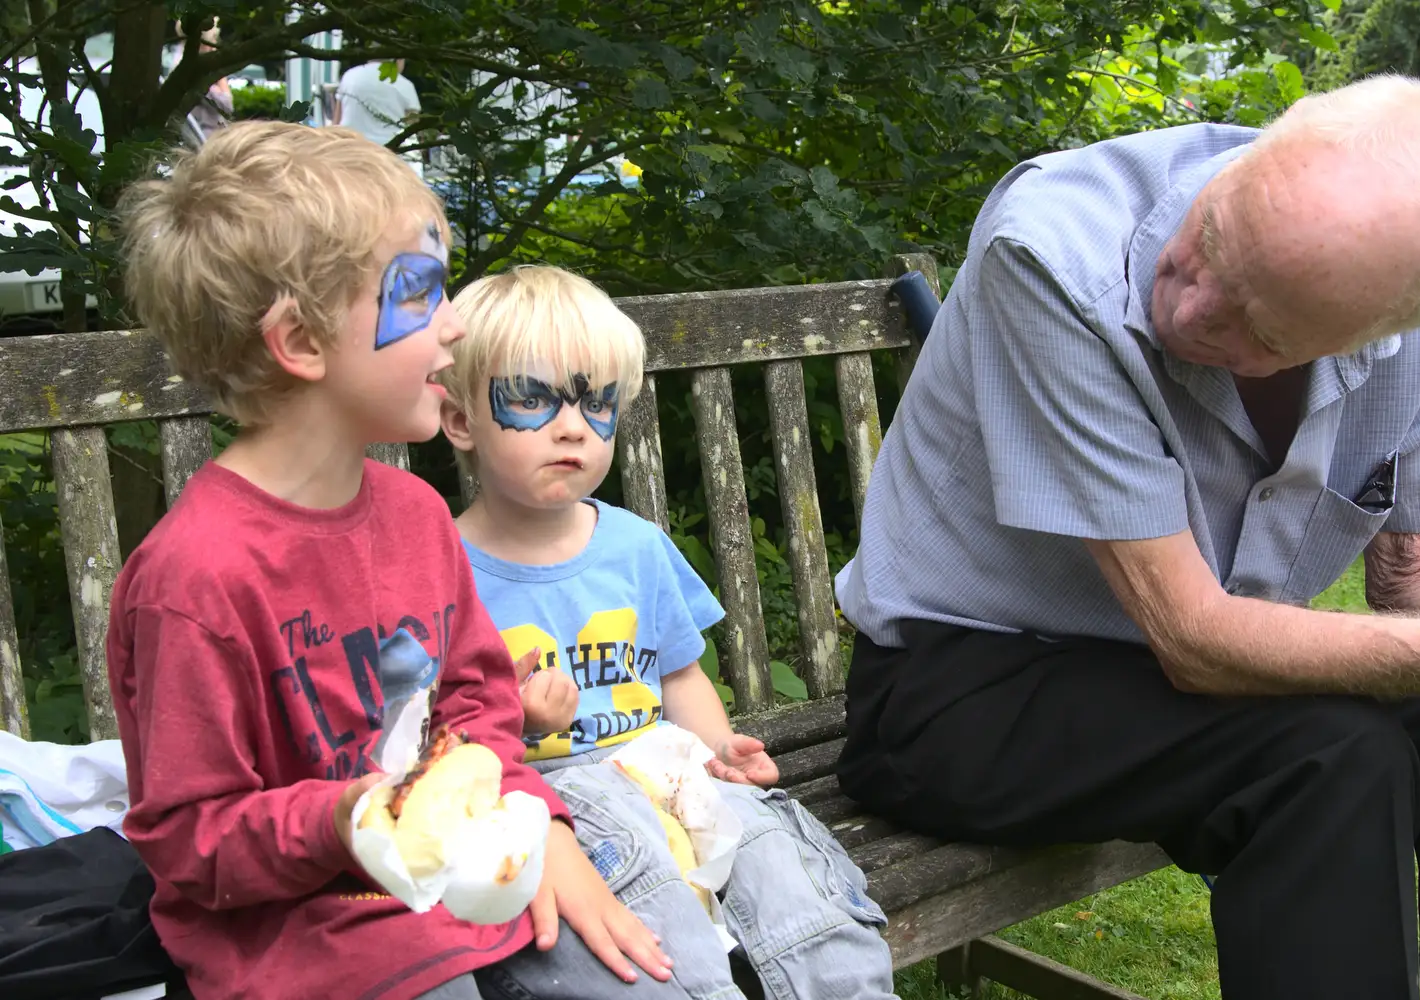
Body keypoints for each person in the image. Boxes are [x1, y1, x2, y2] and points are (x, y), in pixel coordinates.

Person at [834, 73, 1420, 1000]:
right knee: (1331, 757)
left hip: (1183, 684)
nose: (1188, 311)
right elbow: (1196, 639)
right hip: (958, 690)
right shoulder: (1052, 254)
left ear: (1376, 329)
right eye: (1208, 245)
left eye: (1261, 328)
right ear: (1255, 155)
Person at [110, 121, 671, 1000]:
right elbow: (190, 840)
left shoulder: (413, 513)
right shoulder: (196, 578)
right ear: (299, 342)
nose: (452, 324)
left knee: (648, 976)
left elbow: (480, 700)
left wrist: (543, 822)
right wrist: (346, 819)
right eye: (417, 296)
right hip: (317, 942)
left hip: (472, 879)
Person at [437, 265, 898, 999]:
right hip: (550, 798)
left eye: (597, 403)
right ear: (460, 420)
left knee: (787, 880)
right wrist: (514, 720)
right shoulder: (443, 571)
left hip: (664, 771)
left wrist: (720, 751)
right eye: (531, 398)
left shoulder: (635, 545)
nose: (571, 426)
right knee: (651, 943)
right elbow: (440, 746)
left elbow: (679, 674)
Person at [335, 59, 424, 176]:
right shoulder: (404, 84)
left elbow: (336, 122)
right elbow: (413, 126)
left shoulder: (349, 76)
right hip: (396, 160)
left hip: (352, 156)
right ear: (398, 59)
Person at [174, 17, 231, 142]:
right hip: (205, 139)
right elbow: (227, 106)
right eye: (213, 39)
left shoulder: (179, 64)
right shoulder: (198, 75)